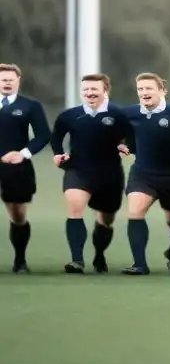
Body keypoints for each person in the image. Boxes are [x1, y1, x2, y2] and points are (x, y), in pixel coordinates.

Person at [50, 73, 133, 274]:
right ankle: (76, 260)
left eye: (94, 89)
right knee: (75, 207)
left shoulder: (119, 115)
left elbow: (132, 139)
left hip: (110, 175)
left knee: (106, 220)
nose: (89, 93)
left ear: (105, 91)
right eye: (85, 89)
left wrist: (125, 146)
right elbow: (56, 138)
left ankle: (99, 255)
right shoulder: (69, 115)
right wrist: (58, 155)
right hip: (78, 170)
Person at [120, 73, 170, 275]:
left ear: (162, 91)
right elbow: (120, 135)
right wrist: (120, 144)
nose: (144, 92)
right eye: (140, 89)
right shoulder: (130, 114)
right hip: (143, 174)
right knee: (135, 212)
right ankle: (139, 264)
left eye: (149, 88)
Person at [0, 63, 51, 273]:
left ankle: (20, 261)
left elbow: (43, 135)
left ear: (18, 80)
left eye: (11, 79)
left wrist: (22, 154)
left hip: (16, 166)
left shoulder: (31, 105)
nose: (7, 82)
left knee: (18, 213)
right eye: (3, 79)